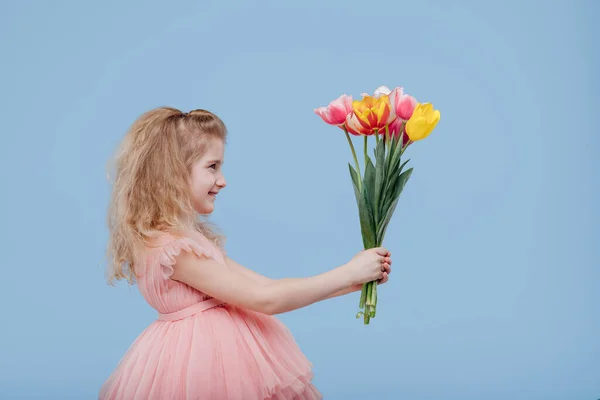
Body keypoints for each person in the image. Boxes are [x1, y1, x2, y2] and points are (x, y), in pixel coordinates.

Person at [98, 107, 392, 400]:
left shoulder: (189, 240)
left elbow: (266, 286)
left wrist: (350, 282)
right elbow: (264, 299)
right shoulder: (173, 251)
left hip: (217, 359)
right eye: (212, 167)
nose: (222, 180)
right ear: (173, 172)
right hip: (202, 367)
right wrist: (348, 273)